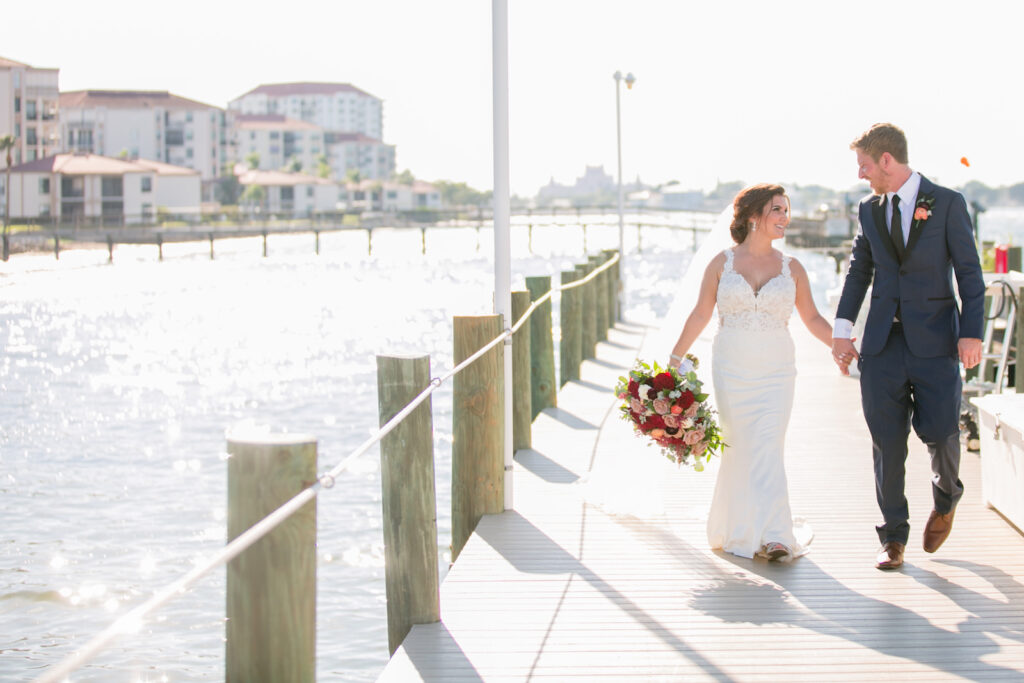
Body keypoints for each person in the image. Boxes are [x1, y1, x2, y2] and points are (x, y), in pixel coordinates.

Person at [833, 123, 985, 571]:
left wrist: (970, 332)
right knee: (887, 441)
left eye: (864, 164)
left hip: (936, 341)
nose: (861, 174)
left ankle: (947, 496)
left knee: (940, 432)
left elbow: (970, 274)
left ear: (886, 161)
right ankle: (893, 537)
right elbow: (860, 270)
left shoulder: (948, 203)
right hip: (882, 344)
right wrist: (843, 329)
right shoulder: (868, 210)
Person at [668, 183, 834, 561]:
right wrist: (676, 356)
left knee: (769, 445)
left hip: (777, 371)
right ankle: (740, 527)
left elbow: (811, 317)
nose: (785, 218)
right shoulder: (721, 264)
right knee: (740, 446)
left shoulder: (792, 268)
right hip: (732, 368)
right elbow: (700, 314)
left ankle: (776, 534)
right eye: (777, 210)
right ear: (754, 216)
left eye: (786, 210)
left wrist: (843, 345)